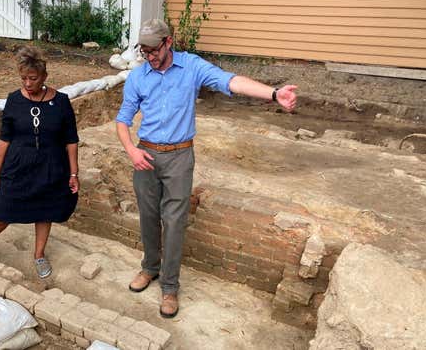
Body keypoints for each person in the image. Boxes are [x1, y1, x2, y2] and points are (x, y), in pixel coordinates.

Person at [116, 19, 297, 318]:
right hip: (145, 155)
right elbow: (123, 120)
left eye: (153, 50)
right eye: (143, 50)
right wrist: (131, 150)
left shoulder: (191, 67)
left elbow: (230, 81)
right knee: (148, 217)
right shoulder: (138, 77)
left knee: (174, 223)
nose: (149, 56)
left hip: (179, 157)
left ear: (168, 42)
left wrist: (274, 93)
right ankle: (149, 268)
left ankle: (170, 287)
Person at [0, 46, 79, 279]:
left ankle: (39, 254)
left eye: (32, 78)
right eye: (23, 78)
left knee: (45, 211)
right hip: (18, 166)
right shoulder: (14, 100)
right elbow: (5, 137)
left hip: (51, 167)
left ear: (44, 76)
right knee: (3, 211)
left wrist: (73, 174)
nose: (27, 83)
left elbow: (71, 140)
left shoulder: (62, 102)